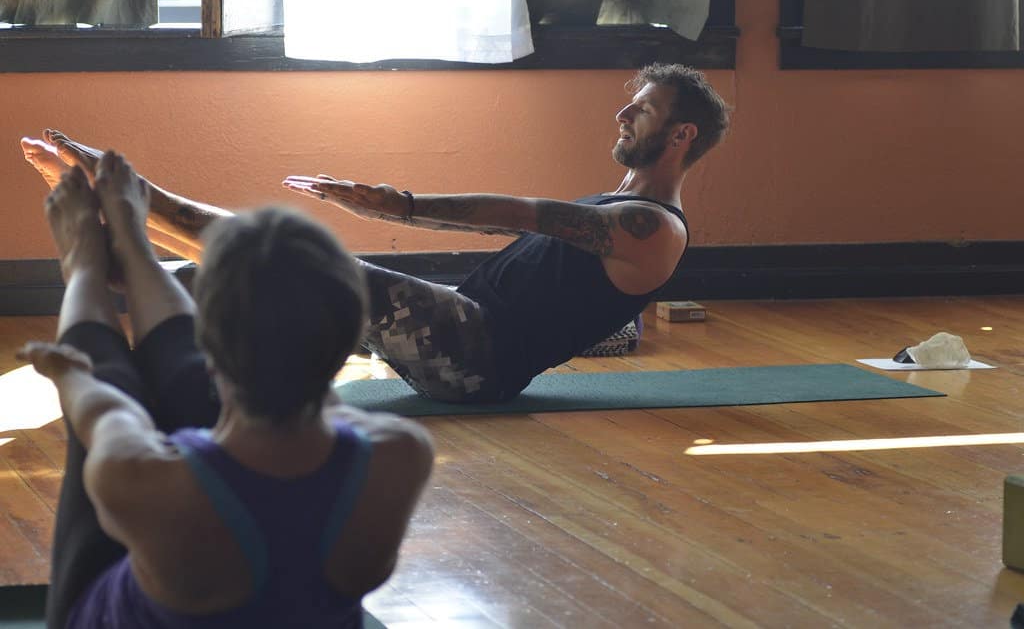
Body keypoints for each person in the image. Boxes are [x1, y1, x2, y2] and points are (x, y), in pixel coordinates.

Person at [21, 63, 730, 403]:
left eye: (642, 110)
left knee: (297, 257)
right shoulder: (619, 204)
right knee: (205, 278)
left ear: (681, 135)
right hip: (458, 320)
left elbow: (520, 211)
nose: (622, 116)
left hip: (474, 357)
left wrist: (401, 205)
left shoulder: (652, 230)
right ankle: (119, 250)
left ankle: (128, 197)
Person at [18, 151, 434, 629]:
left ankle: (85, 263)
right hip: (239, 475)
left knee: (105, 375)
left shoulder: (142, 478)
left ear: (205, 340)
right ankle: (136, 251)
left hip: (136, 566)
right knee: (257, 385)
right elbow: (291, 377)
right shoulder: (401, 455)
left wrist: (68, 372)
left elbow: (106, 411)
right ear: (348, 343)